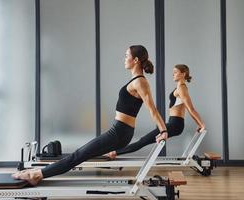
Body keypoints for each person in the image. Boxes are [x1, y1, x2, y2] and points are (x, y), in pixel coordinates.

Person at [12, 45, 168, 185]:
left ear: (135, 60)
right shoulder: (136, 81)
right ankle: (37, 173)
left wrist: (163, 131)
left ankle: (37, 174)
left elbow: (152, 109)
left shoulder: (140, 82)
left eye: (126, 55)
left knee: (78, 155)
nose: (124, 59)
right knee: (82, 154)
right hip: (120, 132)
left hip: (119, 132)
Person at [107, 64, 205, 159]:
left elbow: (191, 109)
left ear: (183, 74)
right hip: (174, 124)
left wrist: (201, 124)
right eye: (173, 72)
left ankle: (115, 153)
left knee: (143, 141)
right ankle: (115, 152)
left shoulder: (182, 88)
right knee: (143, 140)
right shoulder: (180, 88)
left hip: (175, 125)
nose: (173, 74)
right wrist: (199, 124)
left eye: (175, 72)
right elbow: (187, 109)